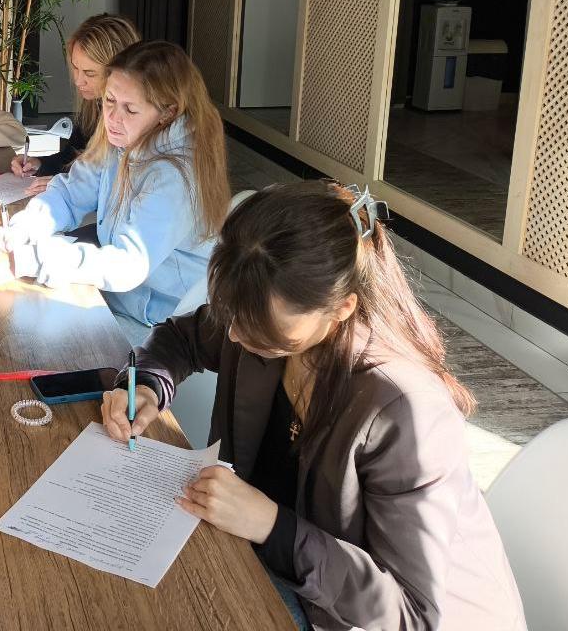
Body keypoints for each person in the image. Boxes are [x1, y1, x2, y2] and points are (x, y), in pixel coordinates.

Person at [101, 181, 526, 630]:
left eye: (258, 326)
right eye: (232, 316)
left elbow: (410, 612)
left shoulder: (405, 412)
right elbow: (182, 338)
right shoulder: (259, 317)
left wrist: (271, 526)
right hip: (271, 569)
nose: (234, 335)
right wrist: (146, 386)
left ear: (341, 308)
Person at [0, 41, 230, 337]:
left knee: (20, 333)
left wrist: (22, 260)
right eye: (109, 101)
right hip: (121, 297)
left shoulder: (173, 175)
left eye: (130, 109)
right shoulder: (124, 138)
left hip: (161, 320)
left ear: (167, 113)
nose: (113, 117)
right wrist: (22, 230)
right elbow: (70, 193)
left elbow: (126, 266)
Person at [11, 14, 139, 196]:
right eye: (75, 68)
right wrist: (39, 163)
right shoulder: (93, 106)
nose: (78, 81)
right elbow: (72, 158)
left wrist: (69, 186)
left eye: (90, 73)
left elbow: (119, 187)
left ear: (121, 71)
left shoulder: (134, 121)